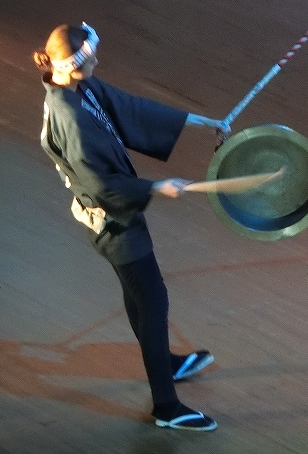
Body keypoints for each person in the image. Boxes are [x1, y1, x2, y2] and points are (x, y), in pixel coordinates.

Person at [34, 22, 227, 432]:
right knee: (153, 300)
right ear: (71, 66)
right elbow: (101, 186)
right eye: (90, 58)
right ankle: (166, 407)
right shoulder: (71, 118)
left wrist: (199, 120)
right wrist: (156, 187)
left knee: (139, 296)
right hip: (112, 222)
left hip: (113, 215)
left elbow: (131, 108)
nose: (97, 62)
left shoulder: (77, 88)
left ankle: (165, 363)